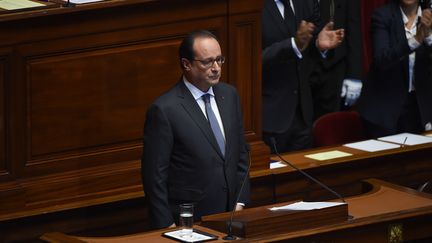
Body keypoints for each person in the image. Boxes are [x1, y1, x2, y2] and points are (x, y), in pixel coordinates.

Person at [141, 30, 250, 229]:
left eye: (219, 59)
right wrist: (167, 225)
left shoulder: (230, 95)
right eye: (208, 62)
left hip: (232, 215)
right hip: (188, 221)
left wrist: (240, 202)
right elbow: (154, 177)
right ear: (186, 64)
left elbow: (240, 155)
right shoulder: (165, 109)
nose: (216, 68)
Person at [262, 0, 345, 153]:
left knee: (303, 172)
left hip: (303, 113)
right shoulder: (250, 7)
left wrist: (319, 44)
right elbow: (250, 58)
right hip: (270, 116)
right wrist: (293, 44)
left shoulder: (305, 2)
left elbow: (306, 47)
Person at [357, 0, 432, 138]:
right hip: (384, 108)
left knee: (417, 158)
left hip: (418, 107)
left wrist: (428, 37)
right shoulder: (382, 16)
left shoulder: (429, 17)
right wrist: (415, 40)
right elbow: (382, 59)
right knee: (387, 159)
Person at [310, 0, 363, 121]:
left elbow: (353, 28)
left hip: (334, 65)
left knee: (330, 126)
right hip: (301, 65)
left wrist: (354, 74)